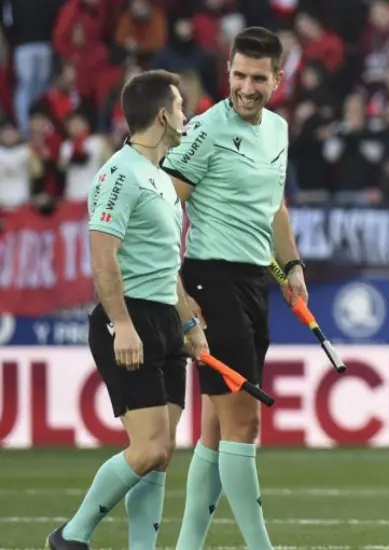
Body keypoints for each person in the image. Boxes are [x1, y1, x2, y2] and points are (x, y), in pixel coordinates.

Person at [48, 69, 209, 550]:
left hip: (165, 321)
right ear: (163, 114)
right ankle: (72, 535)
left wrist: (190, 324)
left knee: (163, 454)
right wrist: (122, 325)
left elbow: (167, 265)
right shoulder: (118, 174)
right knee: (149, 448)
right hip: (131, 319)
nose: (187, 113)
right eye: (181, 106)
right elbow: (102, 256)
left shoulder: (160, 178)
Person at [160, 27, 305, 550]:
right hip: (210, 281)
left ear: (278, 79)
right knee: (244, 426)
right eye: (239, 75)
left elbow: (275, 205)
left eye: (258, 78)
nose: (246, 87)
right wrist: (178, 291)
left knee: (217, 432)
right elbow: (160, 206)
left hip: (253, 283)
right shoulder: (202, 132)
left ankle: (186, 546)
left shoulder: (279, 131)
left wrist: (291, 267)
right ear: (227, 70)